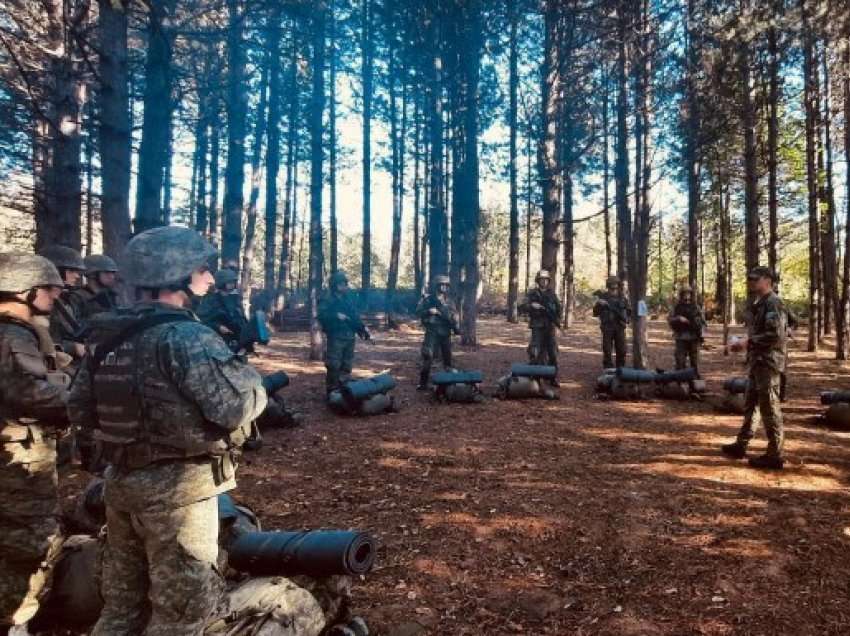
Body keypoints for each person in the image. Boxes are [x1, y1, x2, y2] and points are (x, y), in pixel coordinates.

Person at [68, 226, 268, 634]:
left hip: (121, 487)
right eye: (202, 269)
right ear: (176, 274)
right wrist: (251, 382)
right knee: (183, 616)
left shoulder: (106, 337)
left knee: (121, 609)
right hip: (179, 495)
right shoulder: (187, 336)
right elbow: (234, 408)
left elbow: (80, 410)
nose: (210, 278)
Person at [0, 253, 70, 628]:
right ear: (26, 292)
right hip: (17, 464)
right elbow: (33, 396)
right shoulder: (12, 337)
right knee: (28, 544)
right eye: (48, 289)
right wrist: (80, 395)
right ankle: (15, 620)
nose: (55, 296)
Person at [721, 266, 787, 470]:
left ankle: (775, 454)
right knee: (752, 404)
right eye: (750, 278)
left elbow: (775, 335)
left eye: (755, 279)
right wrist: (745, 342)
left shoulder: (774, 303)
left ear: (768, 280)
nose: (751, 282)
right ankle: (741, 444)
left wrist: (747, 343)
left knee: (769, 407)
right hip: (758, 362)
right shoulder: (762, 304)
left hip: (769, 363)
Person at [318, 272, 370, 395]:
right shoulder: (328, 299)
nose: (345, 286)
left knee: (347, 364)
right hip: (336, 336)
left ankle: (344, 389)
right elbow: (321, 315)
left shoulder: (348, 299)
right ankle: (332, 391)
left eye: (345, 284)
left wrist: (363, 328)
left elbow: (354, 317)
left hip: (349, 336)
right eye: (342, 284)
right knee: (334, 365)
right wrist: (335, 315)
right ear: (335, 285)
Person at [39, 245, 87, 362]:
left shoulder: (66, 300)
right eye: (71, 271)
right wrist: (72, 347)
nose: (77, 275)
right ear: (55, 271)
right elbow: (36, 342)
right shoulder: (40, 303)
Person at [415, 275, 460, 390]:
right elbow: (418, 312)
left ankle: (449, 383)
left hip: (445, 333)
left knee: (447, 358)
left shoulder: (449, 302)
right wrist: (429, 311)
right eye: (442, 285)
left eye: (446, 285)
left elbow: (454, 318)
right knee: (427, 356)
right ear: (437, 286)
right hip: (432, 332)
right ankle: (423, 383)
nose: (444, 287)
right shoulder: (428, 299)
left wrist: (441, 313)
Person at [519, 270, 562, 386]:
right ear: (538, 281)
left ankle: (552, 377)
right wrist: (531, 305)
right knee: (535, 351)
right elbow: (522, 306)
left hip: (550, 326)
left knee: (553, 352)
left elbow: (558, 311)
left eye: (546, 279)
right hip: (537, 326)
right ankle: (534, 377)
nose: (544, 281)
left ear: (548, 281)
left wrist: (558, 326)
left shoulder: (552, 295)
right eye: (541, 279)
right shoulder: (532, 294)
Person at [197, 268, 249, 351]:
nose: (232, 284)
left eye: (233, 282)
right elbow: (202, 319)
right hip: (217, 340)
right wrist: (218, 327)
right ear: (221, 283)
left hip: (237, 340)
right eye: (229, 282)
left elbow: (241, 318)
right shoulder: (210, 299)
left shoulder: (235, 299)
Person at [668, 285, 706, 377]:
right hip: (681, 337)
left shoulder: (696, 307)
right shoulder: (677, 307)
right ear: (681, 295)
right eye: (685, 293)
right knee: (680, 361)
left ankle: (695, 380)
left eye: (689, 293)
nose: (687, 295)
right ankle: (680, 381)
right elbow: (670, 319)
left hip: (693, 337)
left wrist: (701, 334)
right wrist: (678, 318)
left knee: (694, 361)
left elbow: (702, 322)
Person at [593, 275, 630, 368]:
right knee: (607, 351)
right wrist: (599, 304)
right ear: (608, 286)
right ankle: (608, 370)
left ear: (618, 286)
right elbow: (595, 313)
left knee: (622, 350)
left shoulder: (623, 298)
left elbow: (629, 312)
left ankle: (620, 370)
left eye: (615, 286)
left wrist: (626, 319)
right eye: (611, 287)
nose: (613, 289)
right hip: (607, 327)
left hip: (620, 327)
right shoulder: (603, 298)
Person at [73, 254, 121, 322]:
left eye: (113, 273)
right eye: (107, 272)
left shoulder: (112, 296)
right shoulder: (77, 297)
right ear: (93, 274)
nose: (112, 277)